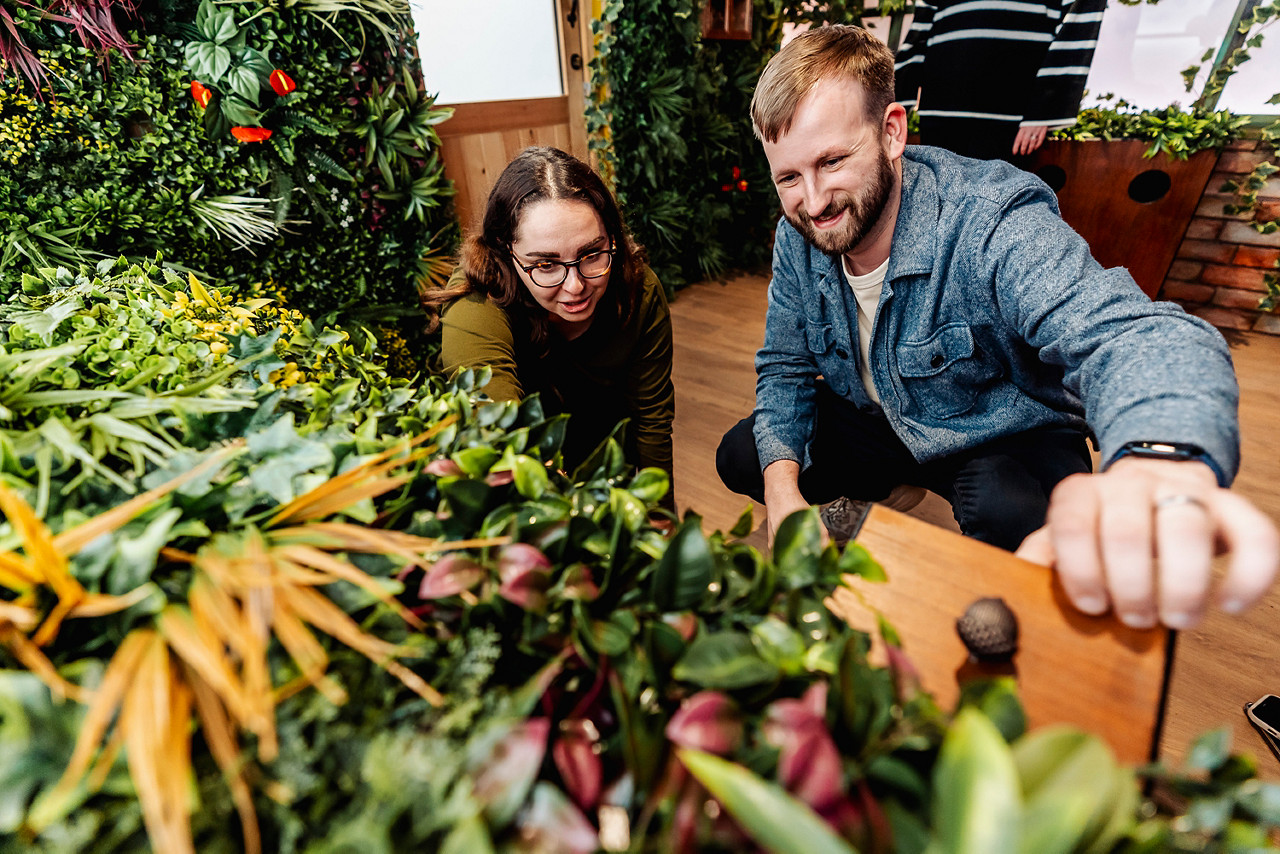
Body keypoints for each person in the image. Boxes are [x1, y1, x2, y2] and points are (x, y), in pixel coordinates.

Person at [716, 25, 1278, 630]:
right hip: (878, 421)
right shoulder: (795, 235)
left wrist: (1159, 456)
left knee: (1015, 512)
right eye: (788, 178)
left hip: (994, 429)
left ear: (892, 132)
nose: (815, 201)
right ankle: (893, 480)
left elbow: (1130, 332)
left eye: (832, 161)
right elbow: (785, 366)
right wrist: (785, 500)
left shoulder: (991, 217)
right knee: (747, 455)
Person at [424, 146, 675, 508]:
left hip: (605, 469)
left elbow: (652, 416)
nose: (575, 286)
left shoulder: (638, 287)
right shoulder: (476, 299)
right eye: (545, 265)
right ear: (505, 251)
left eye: (591, 254)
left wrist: (660, 513)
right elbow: (498, 427)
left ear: (613, 239)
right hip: (521, 480)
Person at [893, 0, 1105, 162]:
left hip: (1009, 114)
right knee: (939, 207)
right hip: (941, 109)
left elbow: (1080, 13)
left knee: (1001, 209)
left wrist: (1045, 109)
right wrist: (892, 104)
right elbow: (922, 22)